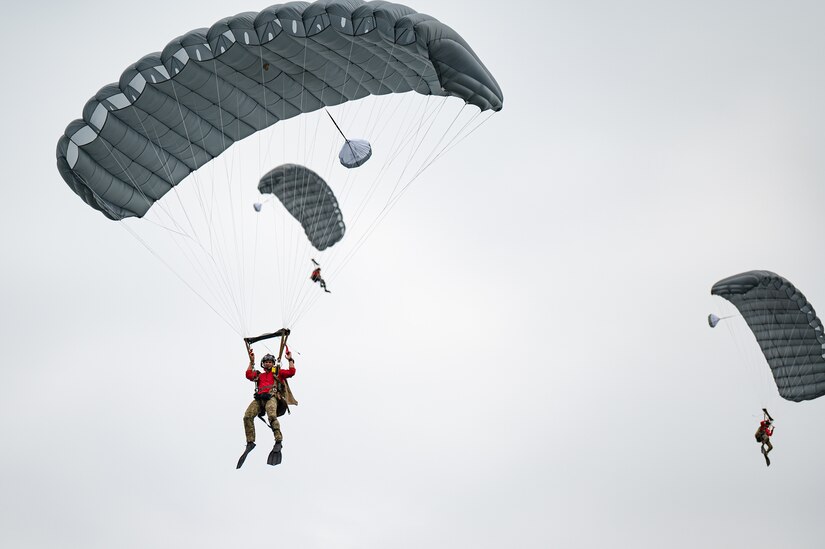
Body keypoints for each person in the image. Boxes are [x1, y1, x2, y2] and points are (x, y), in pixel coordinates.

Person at [238, 348, 296, 468]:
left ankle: (278, 440)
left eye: (270, 361)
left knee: (271, 415)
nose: (268, 363)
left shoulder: (278, 373)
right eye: (266, 362)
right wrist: (251, 362)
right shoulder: (259, 375)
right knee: (247, 416)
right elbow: (248, 375)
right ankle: (250, 442)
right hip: (259, 399)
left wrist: (290, 359)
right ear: (263, 364)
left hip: (272, 397)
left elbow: (291, 372)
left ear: (273, 363)